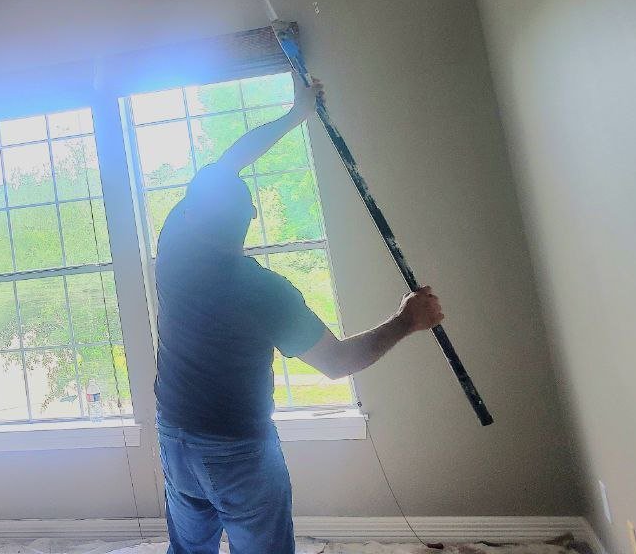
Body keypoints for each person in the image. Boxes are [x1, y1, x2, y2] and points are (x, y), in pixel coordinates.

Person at [154, 75, 444, 554]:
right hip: (236, 449)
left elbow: (232, 158)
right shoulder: (261, 290)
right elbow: (336, 363)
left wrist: (296, 113)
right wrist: (406, 321)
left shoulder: (175, 242)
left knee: (188, 549)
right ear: (247, 222)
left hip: (175, 433)